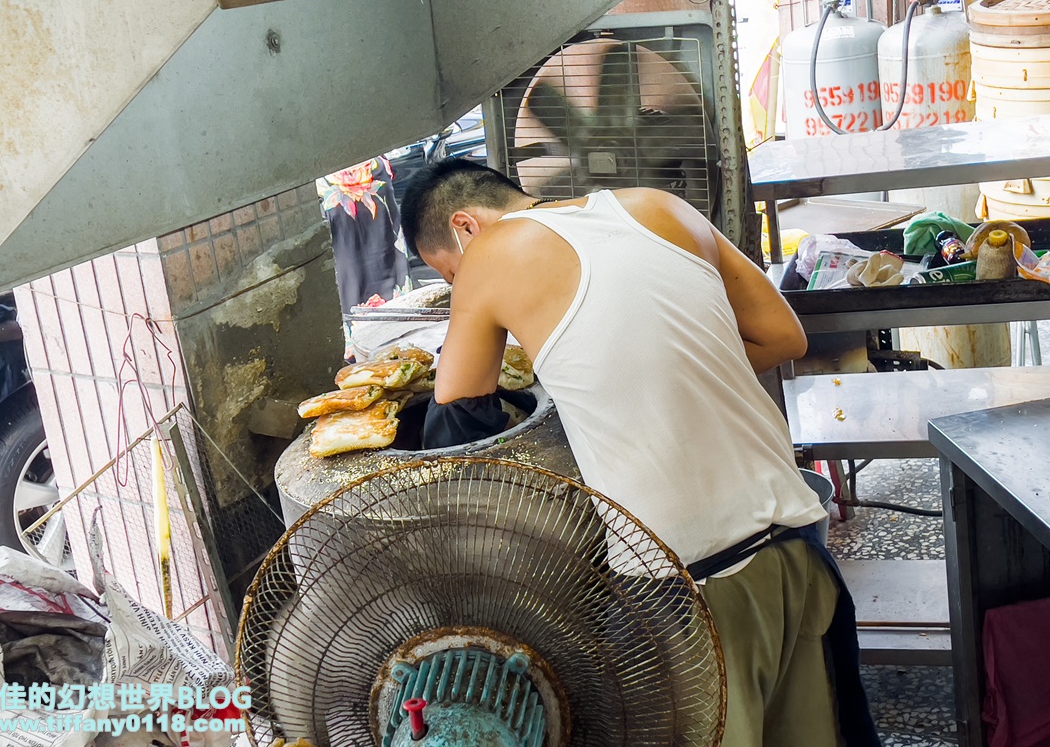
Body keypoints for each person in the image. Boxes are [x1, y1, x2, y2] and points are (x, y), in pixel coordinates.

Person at [400, 159, 878, 747]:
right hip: (800, 543)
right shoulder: (659, 206)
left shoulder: (491, 253)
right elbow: (784, 337)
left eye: (449, 275)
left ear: (465, 226)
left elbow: (456, 419)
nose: (459, 288)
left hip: (697, 582)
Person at [315, 156, 413, 360]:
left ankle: (393, 342)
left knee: (384, 248)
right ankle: (364, 348)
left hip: (366, 171)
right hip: (337, 179)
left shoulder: (375, 164)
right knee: (348, 267)